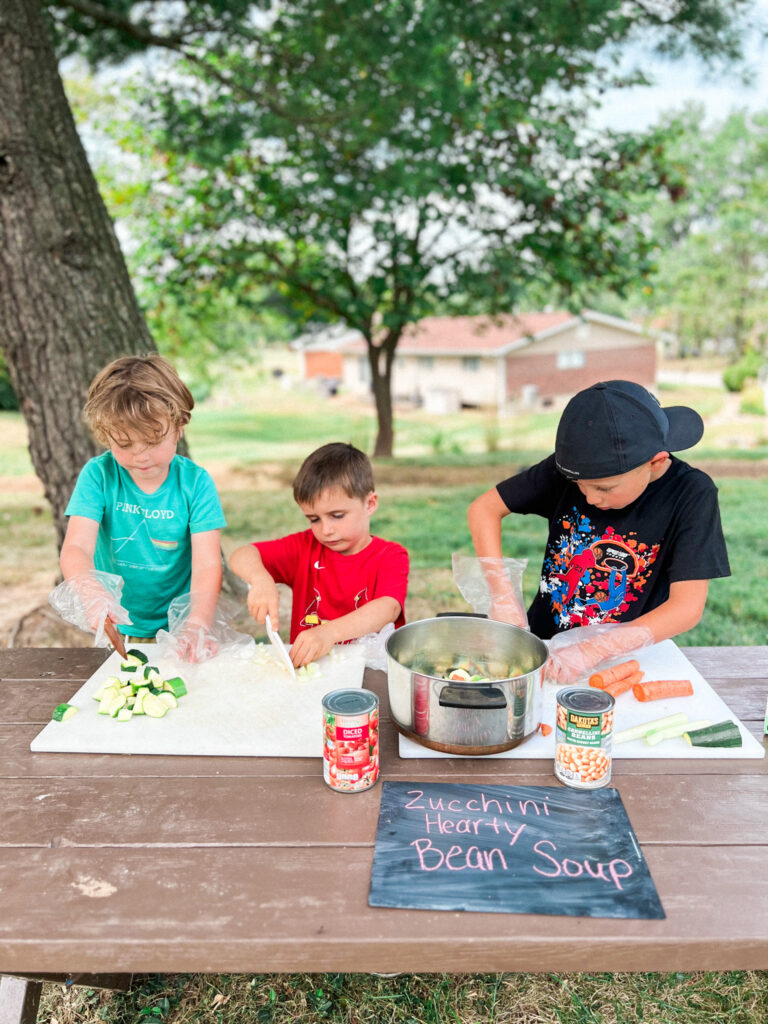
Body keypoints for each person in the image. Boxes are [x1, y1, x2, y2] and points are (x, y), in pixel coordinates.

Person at [467, 380, 730, 673]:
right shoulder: (569, 469)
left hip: (623, 661)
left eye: (604, 488)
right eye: (578, 485)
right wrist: (502, 596)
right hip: (543, 646)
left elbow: (687, 608)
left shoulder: (691, 493)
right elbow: (484, 510)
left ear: (655, 462)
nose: (590, 497)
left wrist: (596, 649)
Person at [58, 354, 226, 655]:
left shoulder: (196, 484)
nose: (140, 455)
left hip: (180, 627)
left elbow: (208, 564)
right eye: (124, 444)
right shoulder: (99, 475)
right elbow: (76, 548)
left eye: (151, 441)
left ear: (179, 426)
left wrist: (196, 624)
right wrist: (92, 594)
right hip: (117, 625)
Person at [230, 442, 409, 667]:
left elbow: (387, 608)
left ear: (370, 503)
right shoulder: (304, 547)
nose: (325, 530)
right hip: (312, 669)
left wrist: (328, 633)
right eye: (314, 519)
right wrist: (260, 579)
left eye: (337, 515)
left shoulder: (390, 555)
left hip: (370, 669)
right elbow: (242, 554)